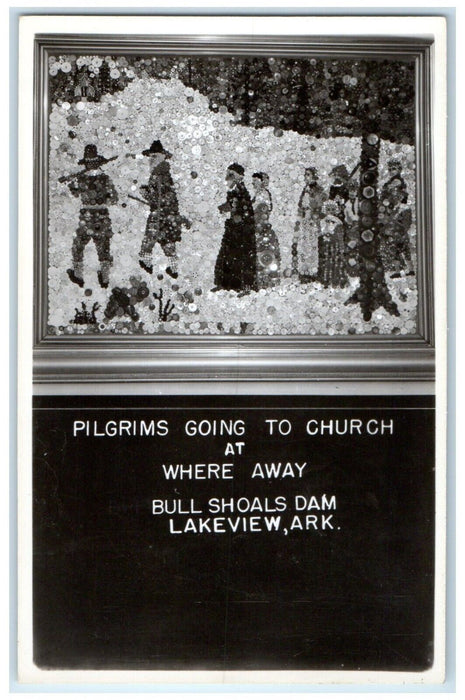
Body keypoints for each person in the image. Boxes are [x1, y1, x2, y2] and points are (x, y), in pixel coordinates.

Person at [66, 144, 118, 289]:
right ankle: (105, 278)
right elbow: (114, 199)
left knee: (78, 245)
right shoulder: (106, 178)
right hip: (102, 216)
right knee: (104, 247)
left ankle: (78, 275)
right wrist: (102, 201)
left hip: (87, 217)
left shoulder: (80, 179)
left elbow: (75, 194)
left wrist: (72, 186)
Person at [138, 140, 190, 279]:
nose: (151, 160)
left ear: (162, 157)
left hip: (160, 213)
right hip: (168, 214)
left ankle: (147, 263)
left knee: (150, 239)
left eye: (154, 157)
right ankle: (173, 268)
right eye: (151, 157)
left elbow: (159, 198)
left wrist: (146, 194)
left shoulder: (158, 175)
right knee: (167, 241)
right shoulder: (163, 174)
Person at [213, 163, 257, 296]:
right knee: (229, 255)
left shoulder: (241, 191)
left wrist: (237, 216)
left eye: (231, 174)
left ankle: (245, 286)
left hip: (242, 230)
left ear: (240, 177)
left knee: (241, 257)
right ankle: (227, 284)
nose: (228, 177)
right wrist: (223, 208)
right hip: (234, 228)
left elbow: (244, 210)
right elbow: (232, 205)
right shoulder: (234, 191)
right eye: (228, 174)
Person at [292, 167, 326, 282]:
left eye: (308, 175)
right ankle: (304, 271)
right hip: (305, 221)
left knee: (313, 245)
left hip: (313, 221)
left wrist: (312, 213)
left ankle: (313, 271)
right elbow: (301, 205)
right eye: (305, 175)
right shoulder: (305, 189)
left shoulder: (318, 190)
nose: (306, 177)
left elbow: (320, 205)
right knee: (304, 245)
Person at [251, 172, 280, 288]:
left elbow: (263, 213)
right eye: (253, 181)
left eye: (256, 181)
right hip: (257, 227)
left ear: (262, 182)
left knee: (264, 251)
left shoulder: (263, 195)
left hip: (261, 228)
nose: (253, 184)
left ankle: (264, 280)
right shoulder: (257, 194)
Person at [379, 187, 415, 278]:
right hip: (395, 234)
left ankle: (410, 270)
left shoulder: (405, 210)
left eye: (398, 197)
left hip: (400, 235)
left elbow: (406, 224)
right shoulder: (397, 209)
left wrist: (398, 229)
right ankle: (399, 271)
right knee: (396, 253)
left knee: (404, 252)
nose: (396, 199)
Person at [316, 200, 348, 288]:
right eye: (328, 209)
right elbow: (319, 233)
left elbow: (340, 235)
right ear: (325, 210)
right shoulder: (322, 222)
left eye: (332, 209)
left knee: (336, 261)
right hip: (325, 245)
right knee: (325, 262)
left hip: (335, 245)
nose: (330, 211)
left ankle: (336, 280)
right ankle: (325, 280)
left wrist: (341, 246)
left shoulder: (338, 222)